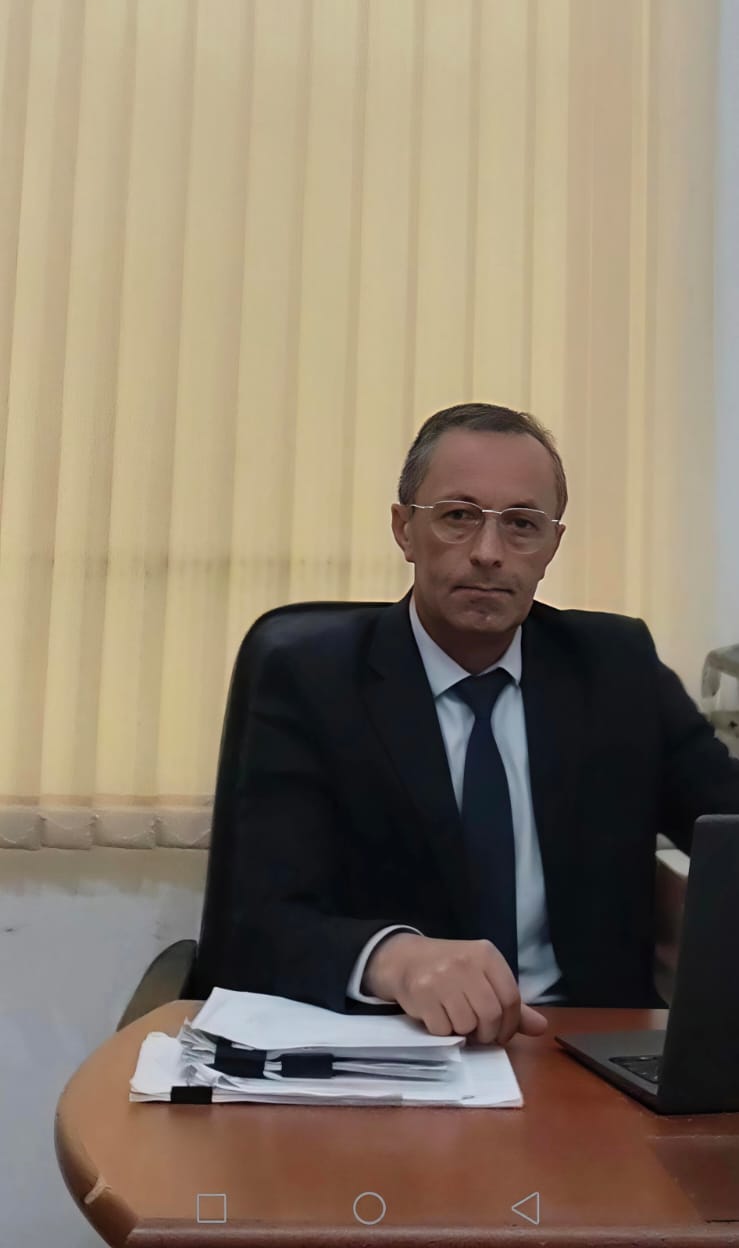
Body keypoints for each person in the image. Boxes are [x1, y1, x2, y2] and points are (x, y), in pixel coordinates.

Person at [226, 403, 739, 1044]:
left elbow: (727, 820)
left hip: (586, 1043)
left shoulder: (616, 668)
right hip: (398, 1044)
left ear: (552, 546)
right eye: (459, 517)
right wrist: (393, 959)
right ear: (404, 530)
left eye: (522, 524)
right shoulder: (312, 680)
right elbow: (260, 921)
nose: (489, 554)